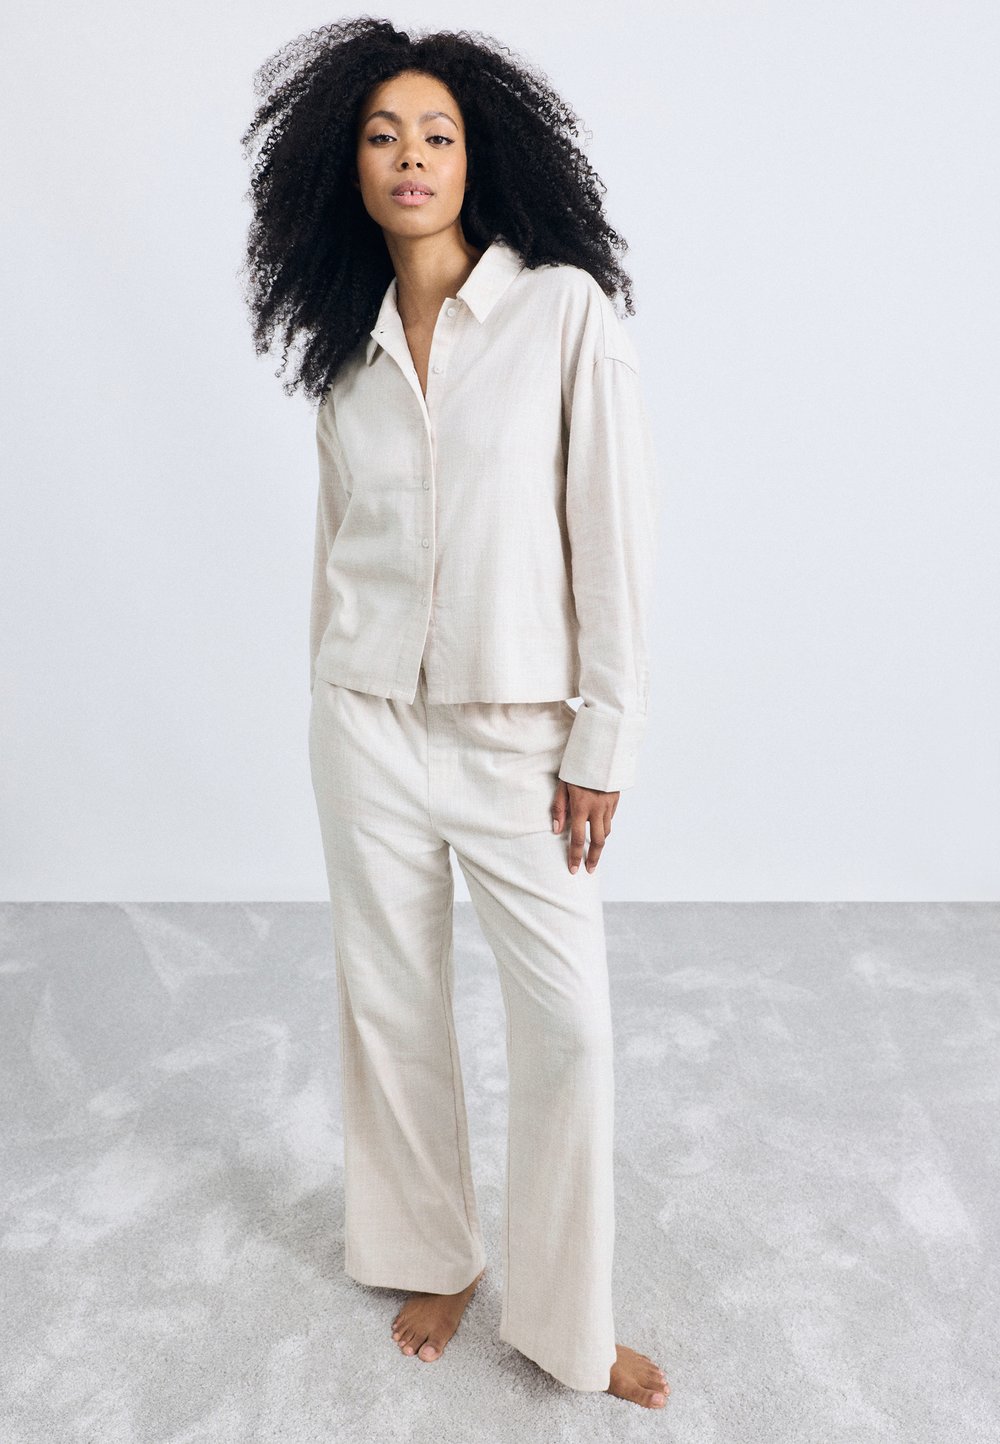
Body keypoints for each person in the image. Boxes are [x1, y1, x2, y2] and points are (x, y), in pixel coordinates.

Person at [240, 18, 667, 1412]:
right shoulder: (345, 355)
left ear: (482, 155)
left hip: (518, 735)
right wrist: (326, 697)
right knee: (391, 1004)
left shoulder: (563, 313)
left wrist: (602, 738)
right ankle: (435, 1253)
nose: (410, 157)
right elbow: (335, 553)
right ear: (346, 168)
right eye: (381, 137)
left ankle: (567, 1320)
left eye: (436, 133)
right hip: (364, 724)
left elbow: (612, 541)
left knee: (571, 1028)